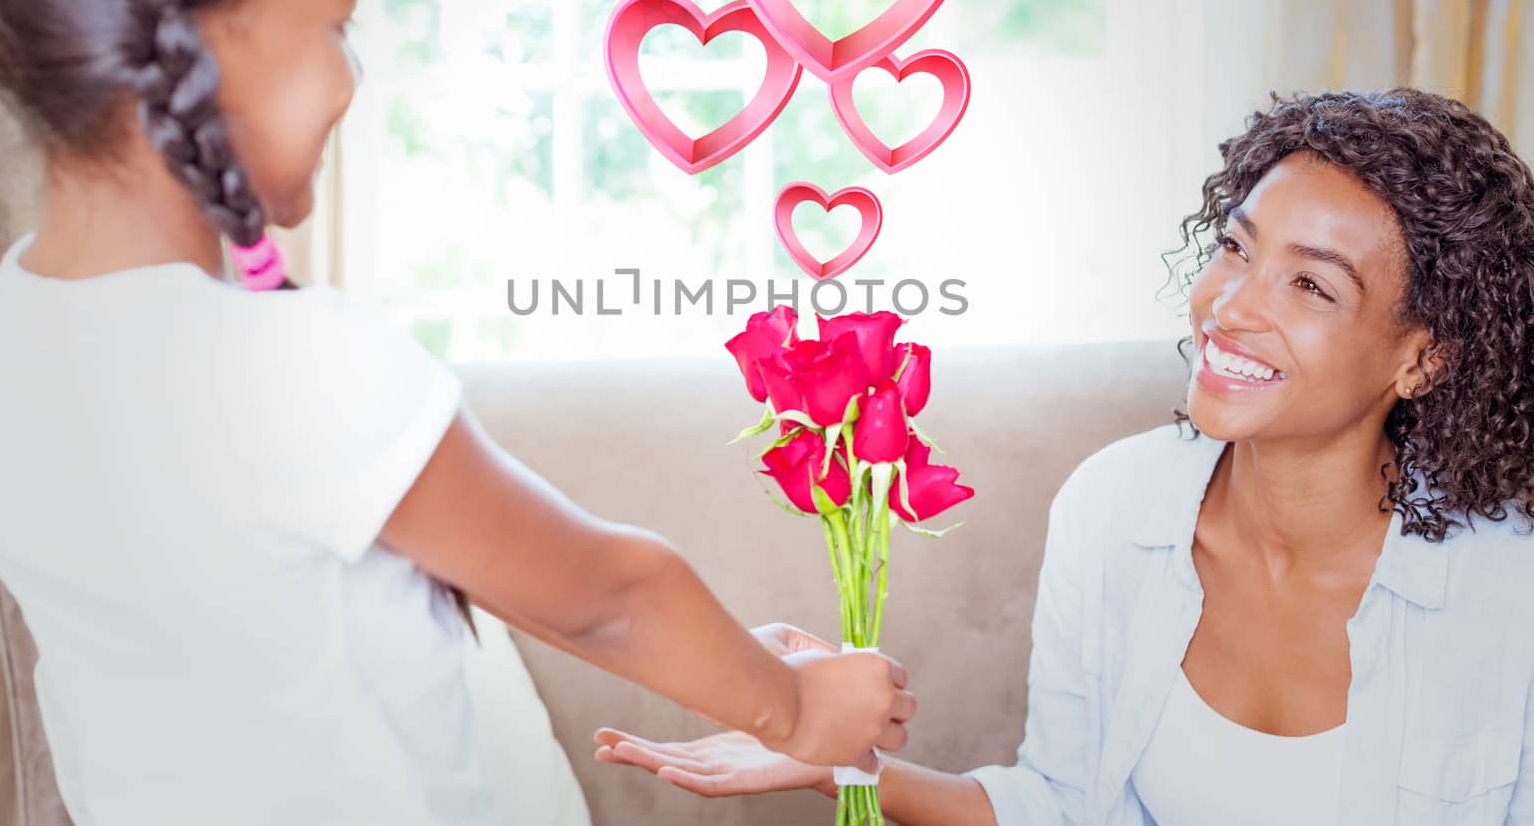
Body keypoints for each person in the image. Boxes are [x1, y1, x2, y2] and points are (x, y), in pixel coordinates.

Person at [0, 0, 914, 823]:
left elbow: (428, 569)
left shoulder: (1, 343)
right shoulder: (286, 366)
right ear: (202, 32)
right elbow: (609, 595)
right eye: (335, 20)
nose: (354, 76)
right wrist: (794, 702)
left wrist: (728, 655)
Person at [595, 88, 1534, 825]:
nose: (1233, 306)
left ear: (1424, 356)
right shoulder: (1114, 508)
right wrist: (840, 762)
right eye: (1236, 250)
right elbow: (1067, 804)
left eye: (1309, 285)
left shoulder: (1509, 585)